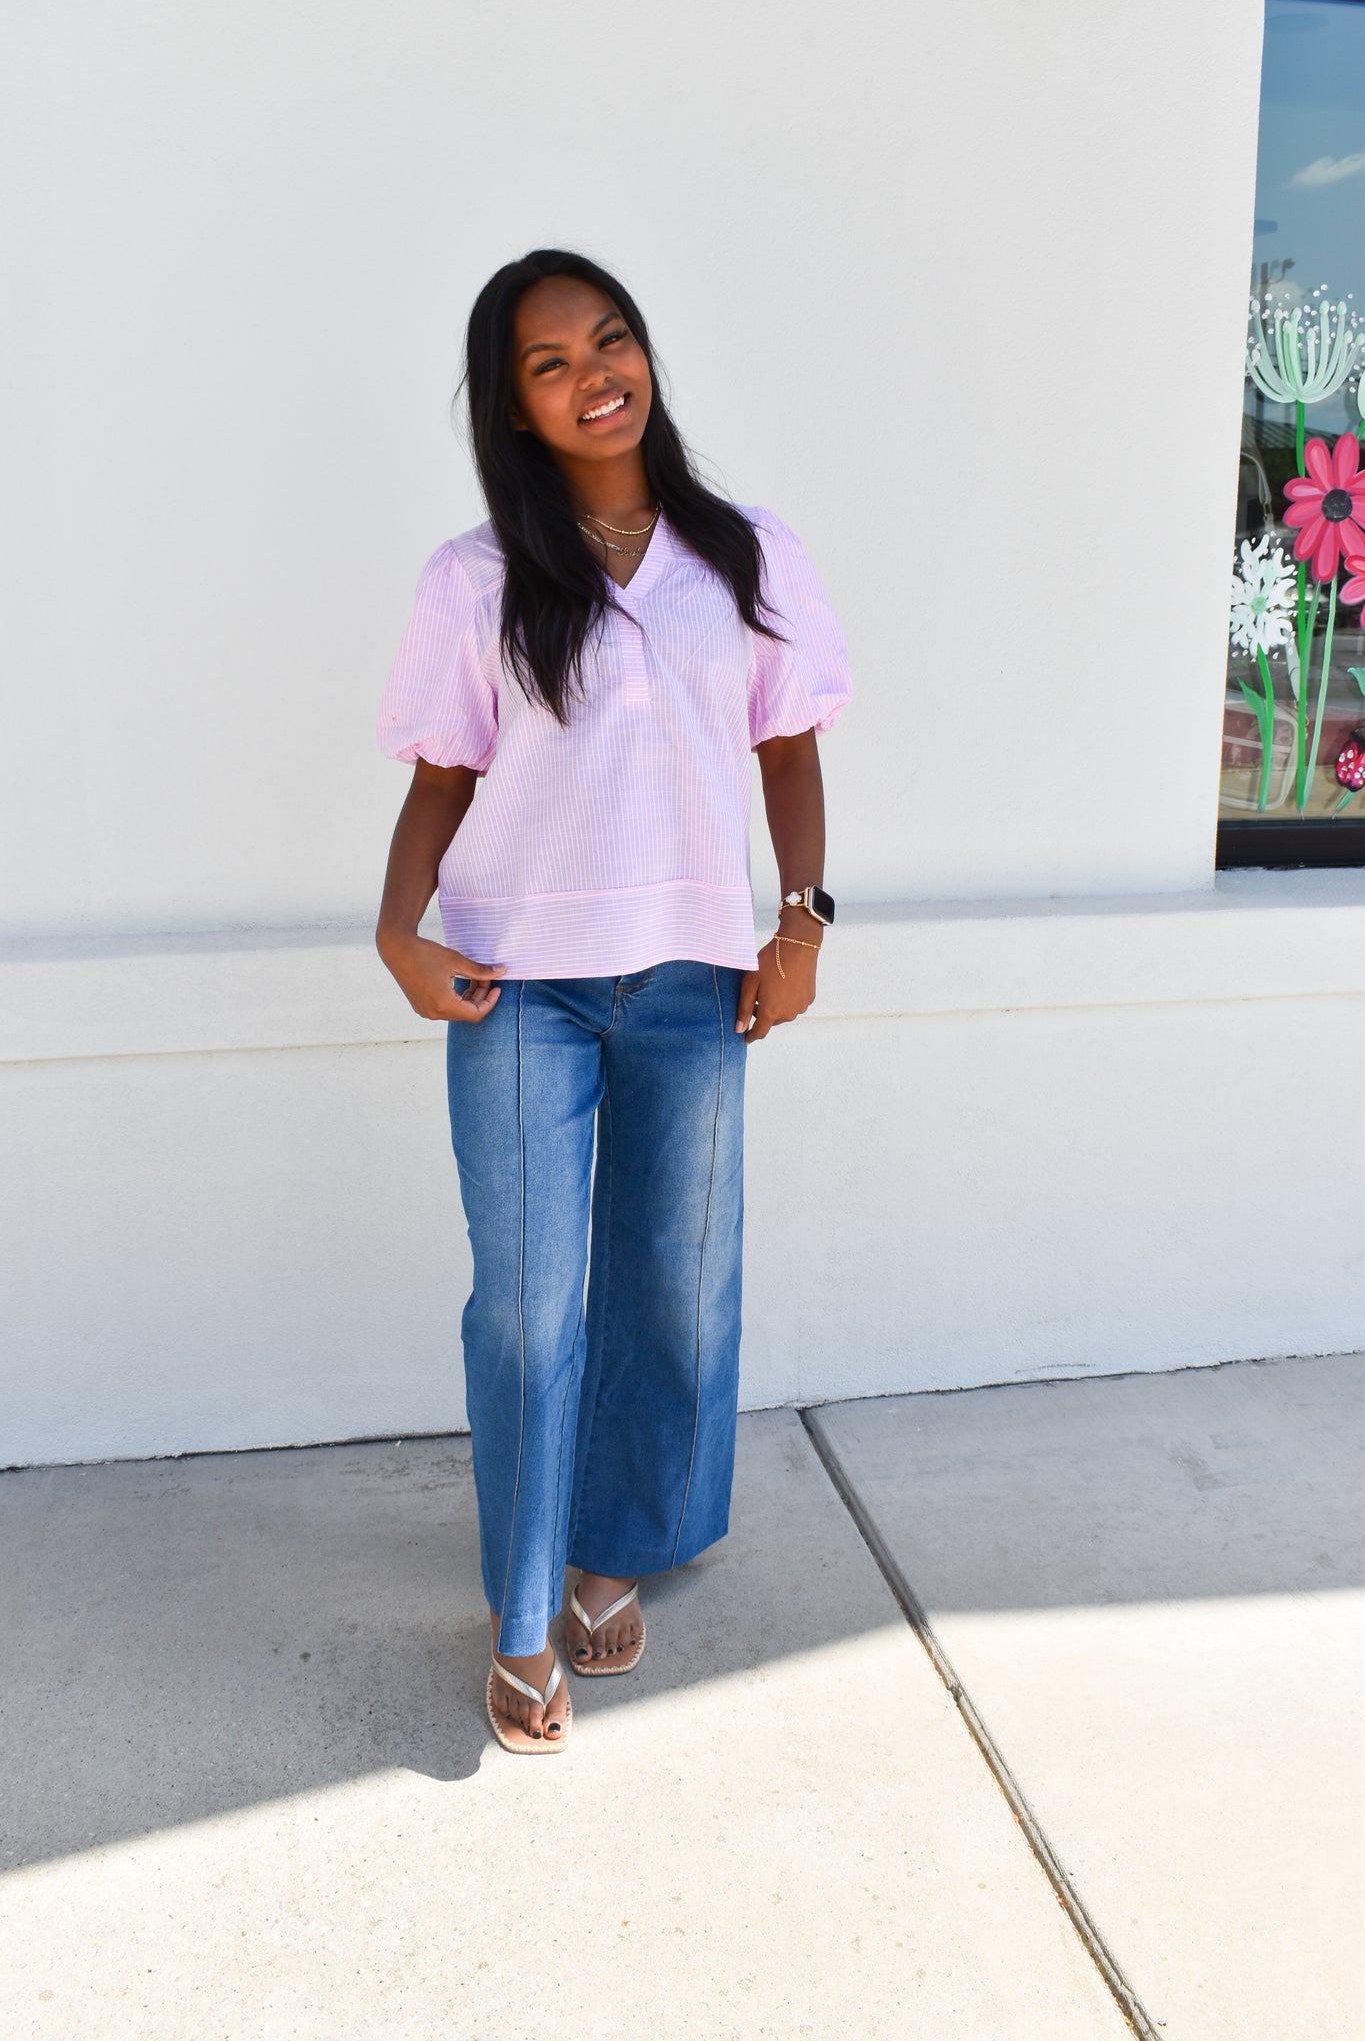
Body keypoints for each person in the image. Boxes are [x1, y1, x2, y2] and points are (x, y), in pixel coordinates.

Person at [375, 250, 850, 1754]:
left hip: (697, 977)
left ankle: (605, 1557)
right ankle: (520, 1617)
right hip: (519, 981)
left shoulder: (745, 554)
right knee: (526, 1310)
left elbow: (785, 751)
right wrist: (397, 932)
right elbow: (441, 781)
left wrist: (802, 920)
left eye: (611, 337)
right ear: (513, 409)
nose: (594, 371)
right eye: (545, 360)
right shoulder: (477, 577)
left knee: (672, 1288)